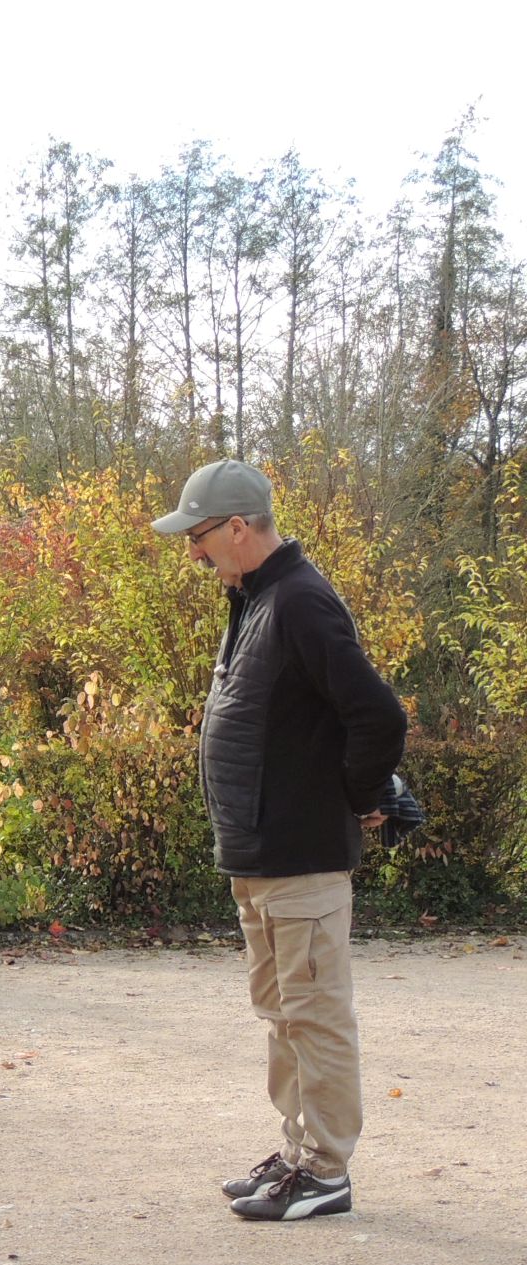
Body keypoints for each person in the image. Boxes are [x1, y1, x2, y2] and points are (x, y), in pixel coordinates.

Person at [152, 459, 406, 1222]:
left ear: (237, 528)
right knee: (282, 1010)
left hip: (301, 856)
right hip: (261, 856)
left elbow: (378, 717)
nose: (193, 553)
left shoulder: (298, 600)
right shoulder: (254, 598)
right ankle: (298, 1151)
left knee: (314, 1013)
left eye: (198, 537)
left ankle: (326, 1171)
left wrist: (364, 797)